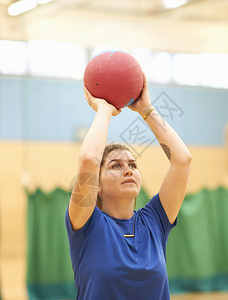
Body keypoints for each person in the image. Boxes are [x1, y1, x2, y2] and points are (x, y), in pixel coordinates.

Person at [65, 74, 192, 300]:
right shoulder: (87, 223)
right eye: (116, 165)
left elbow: (182, 160)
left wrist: (147, 110)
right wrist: (104, 110)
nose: (128, 170)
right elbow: (88, 160)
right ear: (98, 185)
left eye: (133, 164)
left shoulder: (155, 221)